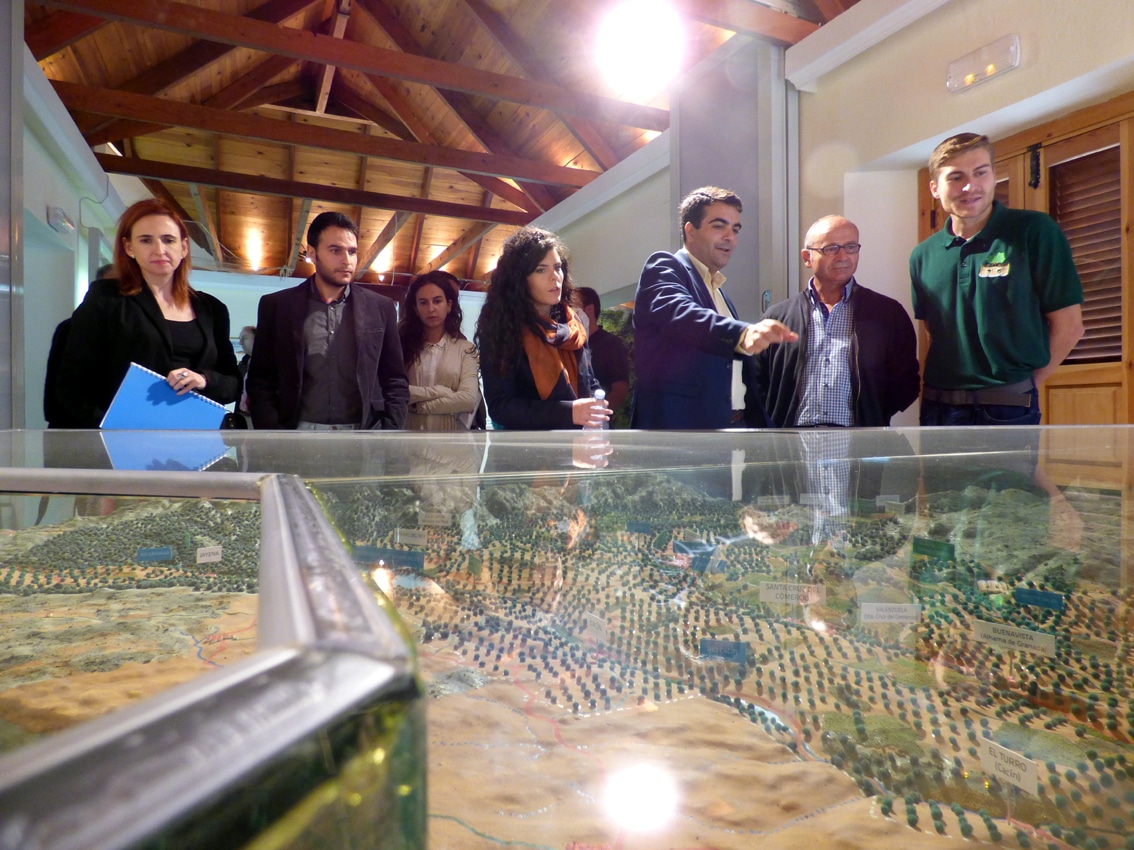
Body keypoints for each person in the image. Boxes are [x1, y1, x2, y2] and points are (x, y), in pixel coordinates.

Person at [911, 132, 1085, 426]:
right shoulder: (922, 256)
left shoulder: (1034, 232)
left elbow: (1069, 327)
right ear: (935, 189)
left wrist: (1024, 387)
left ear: (993, 177)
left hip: (1008, 407)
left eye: (981, 172)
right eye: (955, 177)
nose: (970, 186)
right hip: (938, 409)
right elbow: (935, 331)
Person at [56, 200, 241, 428]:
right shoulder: (106, 298)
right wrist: (110, 428)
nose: (159, 250)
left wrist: (203, 379)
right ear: (129, 247)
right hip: (122, 438)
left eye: (168, 240)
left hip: (193, 437)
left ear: (183, 247)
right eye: (146, 240)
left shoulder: (212, 308)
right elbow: (72, 383)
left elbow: (233, 384)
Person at [631, 186, 797, 429]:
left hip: (732, 431)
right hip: (680, 435)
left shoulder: (720, 294)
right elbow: (681, 314)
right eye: (719, 226)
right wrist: (744, 333)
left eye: (735, 229)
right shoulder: (665, 267)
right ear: (690, 231)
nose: (730, 237)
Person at [247, 211, 409, 430]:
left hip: (364, 434)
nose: (347, 260)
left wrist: (389, 428)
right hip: (297, 433)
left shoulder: (381, 307)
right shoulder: (277, 306)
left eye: (352, 252)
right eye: (335, 250)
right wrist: (272, 430)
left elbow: (395, 379)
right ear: (312, 253)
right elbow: (261, 378)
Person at [754, 215, 920, 427]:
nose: (843, 256)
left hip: (860, 444)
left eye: (851, 247)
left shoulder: (887, 314)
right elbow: (758, 382)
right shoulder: (777, 317)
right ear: (807, 257)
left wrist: (872, 413)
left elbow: (907, 381)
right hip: (792, 443)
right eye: (831, 248)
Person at [475, 227, 609, 430]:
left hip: (579, 448)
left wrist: (598, 405)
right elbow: (500, 406)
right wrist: (569, 412)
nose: (554, 276)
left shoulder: (574, 324)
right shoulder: (501, 329)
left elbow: (589, 381)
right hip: (530, 453)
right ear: (519, 279)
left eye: (558, 267)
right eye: (541, 270)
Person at [398, 270, 481, 431]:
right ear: (415, 309)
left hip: (452, 447)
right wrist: (439, 392)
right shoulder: (401, 346)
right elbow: (397, 392)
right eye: (423, 302)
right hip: (408, 443)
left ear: (449, 305)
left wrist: (418, 407)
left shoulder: (465, 348)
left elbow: (468, 399)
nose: (431, 308)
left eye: (437, 301)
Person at [575, 287, 630, 412]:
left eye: (572, 303)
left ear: (589, 309)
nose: (568, 309)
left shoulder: (611, 344)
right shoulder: (569, 343)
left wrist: (598, 416)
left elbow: (619, 389)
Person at [236, 325, 255, 422]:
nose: (240, 343)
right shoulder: (244, 363)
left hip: (258, 417)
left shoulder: (269, 363)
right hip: (243, 415)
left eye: (244, 338)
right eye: (240, 339)